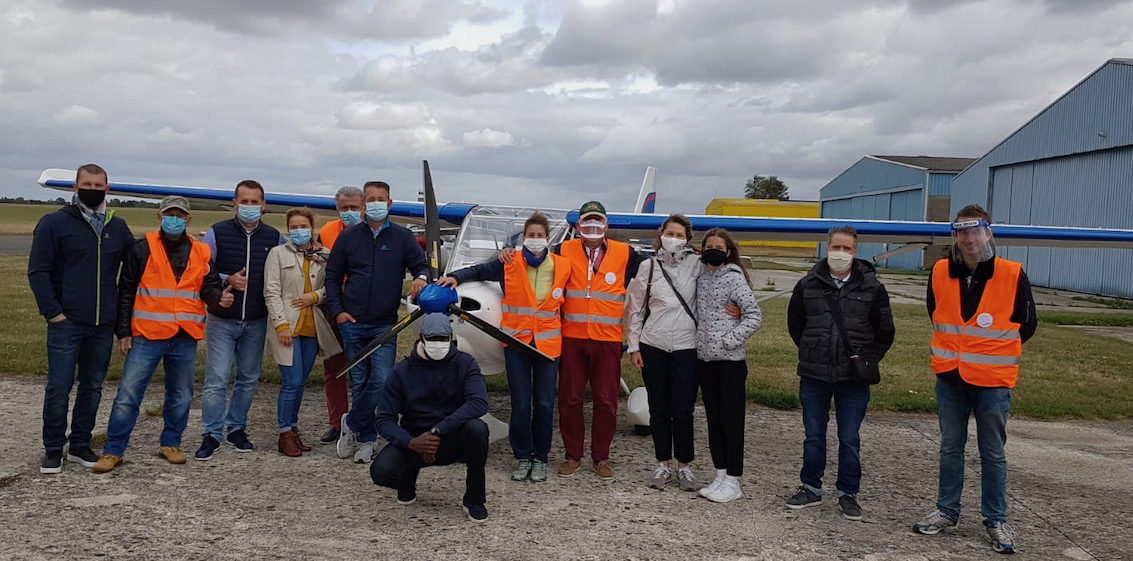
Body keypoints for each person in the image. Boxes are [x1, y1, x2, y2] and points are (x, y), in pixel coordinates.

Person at [913, 205, 1036, 555]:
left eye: (975, 231)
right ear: (955, 236)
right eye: (962, 232)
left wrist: (988, 352)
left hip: (993, 381)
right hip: (950, 377)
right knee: (950, 446)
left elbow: (1026, 324)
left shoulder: (1012, 273)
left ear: (989, 233)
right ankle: (946, 510)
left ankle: (996, 519)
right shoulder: (939, 271)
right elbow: (935, 313)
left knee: (992, 452)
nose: (969, 239)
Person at [93, 196, 232, 473]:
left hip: (185, 335)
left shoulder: (201, 252)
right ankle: (113, 449)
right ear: (159, 217)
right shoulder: (142, 248)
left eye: (180, 215)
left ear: (188, 220)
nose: (175, 219)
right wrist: (123, 331)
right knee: (128, 395)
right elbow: (126, 291)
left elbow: (209, 285)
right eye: (170, 214)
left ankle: (171, 443)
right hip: (147, 334)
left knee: (181, 395)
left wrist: (219, 298)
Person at [438, 211, 570, 483]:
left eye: (540, 236)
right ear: (524, 238)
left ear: (548, 239)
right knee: (521, 404)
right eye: (530, 235)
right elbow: (477, 270)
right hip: (516, 342)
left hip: (548, 345)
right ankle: (523, 456)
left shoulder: (563, 265)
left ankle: (541, 458)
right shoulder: (508, 263)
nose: (535, 240)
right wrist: (454, 277)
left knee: (544, 404)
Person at [28, 164, 134, 474]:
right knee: (59, 386)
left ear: (107, 188)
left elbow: (136, 262)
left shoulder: (118, 226)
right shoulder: (54, 223)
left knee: (92, 386)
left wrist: (191, 244)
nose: (93, 188)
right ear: (75, 187)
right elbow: (38, 272)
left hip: (102, 325)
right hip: (66, 322)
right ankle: (52, 448)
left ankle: (80, 444)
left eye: (98, 184)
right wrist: (54, 313)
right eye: (87, 183)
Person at [784, 226, 895, 520]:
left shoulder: (873, 288)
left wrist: (867, 358)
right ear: (827, 247)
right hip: (814, 374)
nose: (841, 253)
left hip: (853, 377)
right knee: (813, 436)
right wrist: (813, 348)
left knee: (849, 438)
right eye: (836, 247)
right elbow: (796, 325)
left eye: (847, 248)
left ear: (855, 252)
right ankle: (810, 487)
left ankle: (848, 493)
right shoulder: (806, 284)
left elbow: (885, 331)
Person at [325, 180, 429, 464]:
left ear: (390, 203)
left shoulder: (401, 237)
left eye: (381, 198)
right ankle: (368, 439)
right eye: (370, 199)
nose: (375, 203)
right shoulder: (348, 238)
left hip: (384, 324)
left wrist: (420, 278)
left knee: (381, 381)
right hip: (352, 322)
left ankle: (353, 422)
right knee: (359, 382)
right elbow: (332, 278)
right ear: (363, 205)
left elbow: (419, 263)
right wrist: (338, 312)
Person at [547, 201, 644, 480]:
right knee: (570, 399)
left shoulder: (625, 253)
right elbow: (532, 263)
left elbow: (656, 273)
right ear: (577, 227)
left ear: (606, 226)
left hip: (607, 340)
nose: (592, 227)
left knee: (606, 400)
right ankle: (572, 454)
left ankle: (601, 458)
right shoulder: (562, 251)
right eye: (586, 222)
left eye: (597, 222)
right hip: (572, 339)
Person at [370, 313, 490, 522]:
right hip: (414, 440)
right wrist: (411, 442)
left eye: (443, 339)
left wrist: (437, 431)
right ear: (421, 338)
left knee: (478, 430)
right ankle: (407, 481)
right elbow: (384, 419)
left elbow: (478, 403)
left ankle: (474, 499)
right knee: (380, 472)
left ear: (451, 338)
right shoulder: (401, 371)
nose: (438, 344)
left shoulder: (465, 363)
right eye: (432, 339)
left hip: (451, 436)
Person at [195, 179, 283, 460]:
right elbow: (202, 271)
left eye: (254, 202)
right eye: (243, 201)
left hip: (256, 320)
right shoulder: (217, 233)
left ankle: (236, 428)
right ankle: (211, 432)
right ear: (234, 203)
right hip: (222, 319)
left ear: (263, 205)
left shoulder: (273, 237)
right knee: (217, 378)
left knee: (248, 378)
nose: (249, 207)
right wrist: (225, 280)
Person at [626, 214, 702, 491]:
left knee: (682, 410)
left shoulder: (697, 265)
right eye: (670, 233)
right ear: (660, 235)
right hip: (653, 344)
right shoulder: (648, 266)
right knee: (658, 409)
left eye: (680, 235)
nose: (674, 238)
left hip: (687, 345)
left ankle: (685, 466)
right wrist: (633, 345)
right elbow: (636, 309)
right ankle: (662, 463)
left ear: (688, 239)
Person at [265, 208, 342, 457]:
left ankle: (294, 429)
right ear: (288, 229)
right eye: (294, 226)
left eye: (303, 226)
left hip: (312, 325)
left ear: (312, 227)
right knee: (291, 382)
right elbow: (271, 291)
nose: (299, 230)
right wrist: (281, 325)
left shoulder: (325, 255)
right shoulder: (278, 254)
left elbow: (331, 287)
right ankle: (284, 431)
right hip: (287, 325)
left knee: (300, 383)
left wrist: (315, 296)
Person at [694, 228, 762, 503]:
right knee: (714, 419)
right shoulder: (701, 277)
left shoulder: (734, 279)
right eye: (708, 246)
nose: (713, 250)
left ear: (728, 252)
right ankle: (720, 473)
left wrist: (729, 340)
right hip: (705, 360)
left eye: (719, 247)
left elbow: (754, 316)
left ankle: (734, 479)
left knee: (732, 421)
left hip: (730, 361)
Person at [314, 185, 364, 443]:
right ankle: (337, 421)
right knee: (334, 365)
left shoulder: (374, 231)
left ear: (363, 206)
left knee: (366, 368)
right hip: (332, 304)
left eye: (354, 207)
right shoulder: (327, 231)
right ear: (337, 208)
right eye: (344, 208)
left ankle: (363, 420)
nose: (349, 212)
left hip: (364, 307)